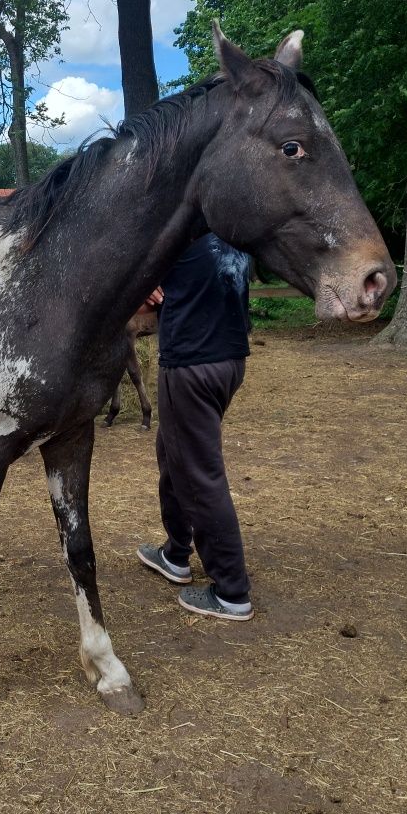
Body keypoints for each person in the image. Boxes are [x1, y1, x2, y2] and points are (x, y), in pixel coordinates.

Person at [137, 232, 253, 621]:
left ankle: (231, 590)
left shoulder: (179, 232)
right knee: (173, 453)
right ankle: (176, 553)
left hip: (190, 363)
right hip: (230, 359)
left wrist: (146, 286)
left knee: (198, 471)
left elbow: (137, 292)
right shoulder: (232, 233)